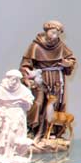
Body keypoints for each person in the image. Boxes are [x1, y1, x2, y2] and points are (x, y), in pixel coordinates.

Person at [19, 20, 75, 150]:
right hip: (41, 79)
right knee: (38, 103)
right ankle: (34, 130)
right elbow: (25, 65)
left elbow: (71, 59)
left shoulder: (60, 46)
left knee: (55, 105)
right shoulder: (35, 46)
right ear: (47, 31)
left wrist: (67, 63)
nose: (55, 36)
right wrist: (27, 78)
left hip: (57, 79)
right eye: (53, 32)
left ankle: (53, 133)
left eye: (58, 33)